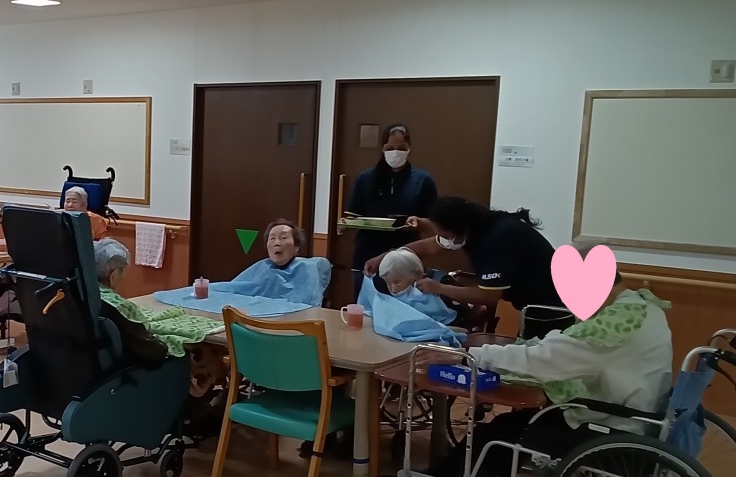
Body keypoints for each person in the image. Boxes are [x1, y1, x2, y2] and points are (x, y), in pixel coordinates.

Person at [370, 266, 673, 477]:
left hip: (608, 428)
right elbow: (568, 347)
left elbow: (546, 360)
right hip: (633, 416)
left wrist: (472, 356)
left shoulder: (612, 329)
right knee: (508, 426)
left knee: (497, 434)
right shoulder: (641, 307)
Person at [364, 196, 568, 337]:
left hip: (549, 307)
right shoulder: (477, 226)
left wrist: (440, 288)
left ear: (459, 229)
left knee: (541, 370)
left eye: (445, 235)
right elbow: (428, 246)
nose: (443, 240)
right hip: (534, 304)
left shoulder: (497, 240)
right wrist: (385, 256)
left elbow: (488, 296)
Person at [95, 239, 227, 398]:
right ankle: (200, 399)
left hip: (104, 365)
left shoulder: (91, 296)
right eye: (122, 272)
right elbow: (149, 348)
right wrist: (169, 345)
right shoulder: (116, 305)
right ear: (114, 274)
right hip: (137, 364)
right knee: (201, 348)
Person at [347, 125, 437, 298]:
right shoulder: (366, 178)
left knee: (404, 305)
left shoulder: (423, 180)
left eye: (401, 148)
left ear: (409, 149)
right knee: (366, 306)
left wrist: (418, 222)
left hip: (405, 256)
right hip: (368, 253)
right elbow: (352, 215)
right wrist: (345, 223)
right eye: (390, 148)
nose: (395, 153)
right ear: (382, 149)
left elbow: (433, 224)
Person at [210, 219, 331, 307]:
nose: (277, 243)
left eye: (283, 238)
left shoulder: (308, 269)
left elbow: (309, 304)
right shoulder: (261, 267)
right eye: (272, 238)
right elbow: (233, 288)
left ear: (296, 246)